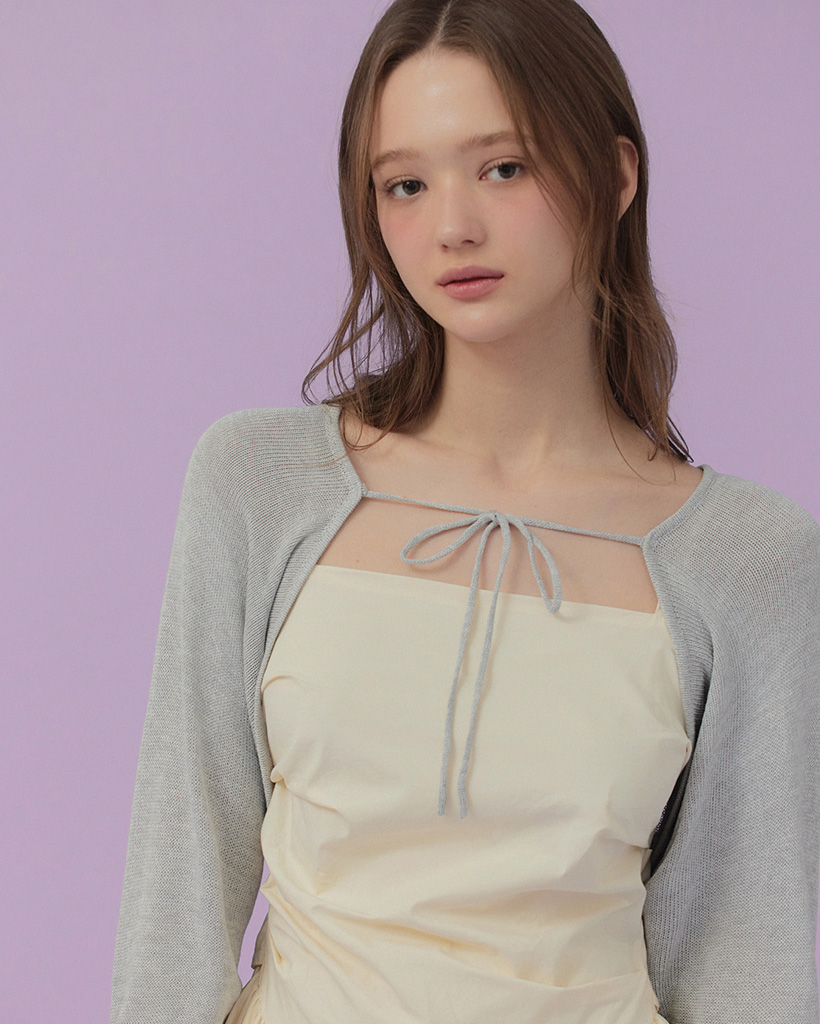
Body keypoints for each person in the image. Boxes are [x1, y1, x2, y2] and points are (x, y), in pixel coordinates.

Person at [109, 1, 820, 1022]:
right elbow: (174, 896)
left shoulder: (747, 557)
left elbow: (746, 966)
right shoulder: (260, 483)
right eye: (405, 183)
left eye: (505, 167)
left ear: (616, 174)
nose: (453, 227)